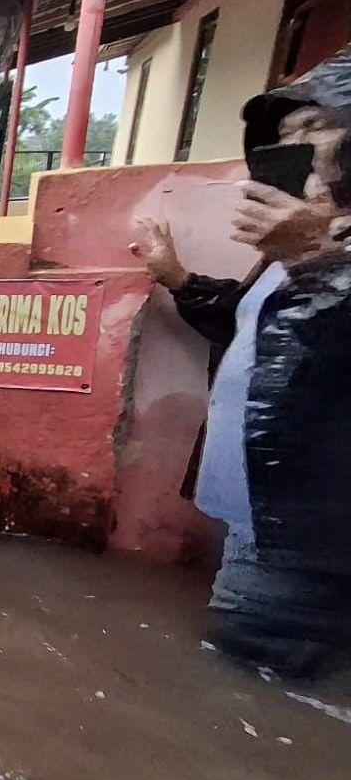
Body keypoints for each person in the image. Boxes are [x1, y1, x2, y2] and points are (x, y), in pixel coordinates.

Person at [129, 54, 351, 677]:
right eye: (285, 137)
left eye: (315, 128)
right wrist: (177, 278)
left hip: (308, 542)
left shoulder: (317, 249)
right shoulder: (312, 242)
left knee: (243, 691)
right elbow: (252, 330)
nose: (295, 150)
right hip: (262, 524)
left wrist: (314, 259)